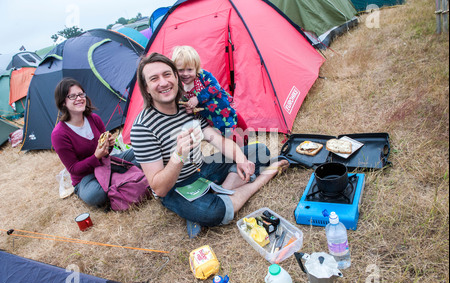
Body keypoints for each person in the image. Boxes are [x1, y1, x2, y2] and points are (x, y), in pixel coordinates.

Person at [130, 52, 289, 238]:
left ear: (176, 77)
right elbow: (159, 188)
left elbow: (216, 139)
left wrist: (240, 160)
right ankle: (263, 177)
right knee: (211, 213)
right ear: (147, 88)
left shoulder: (187, 108)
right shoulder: (142, 128)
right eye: (154, 78)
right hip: (177, 187)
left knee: (259, 150)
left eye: (167, 74)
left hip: (202, 169)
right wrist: (178, 156)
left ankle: (221, 193)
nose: (163, 82)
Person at [51, 77, 138, 208]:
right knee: (95, 195)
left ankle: (115, 180)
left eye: (81, 94)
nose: (79, 98)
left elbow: (107, 154)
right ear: (63, 102)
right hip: (86, 177)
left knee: (140, 152)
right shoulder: (59, 134)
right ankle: (122, 179)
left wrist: (109, 145)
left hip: (107, 164)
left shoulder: (93, 118)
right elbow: (74, 169)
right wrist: (96, 157)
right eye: (72, 96)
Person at [171, 45, 248, 145]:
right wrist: (191, 110)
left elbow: (215, 87)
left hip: (227, 108)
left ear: (196, 68)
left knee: (242, 127)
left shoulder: (203, 76)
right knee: (231, 137)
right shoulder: (182, 91)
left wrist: (198, 98)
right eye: (181, 70)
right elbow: (195, 109)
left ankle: (248, 141)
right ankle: (243, 150)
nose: (185, 74)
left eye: (190, 70)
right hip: (215, 120)